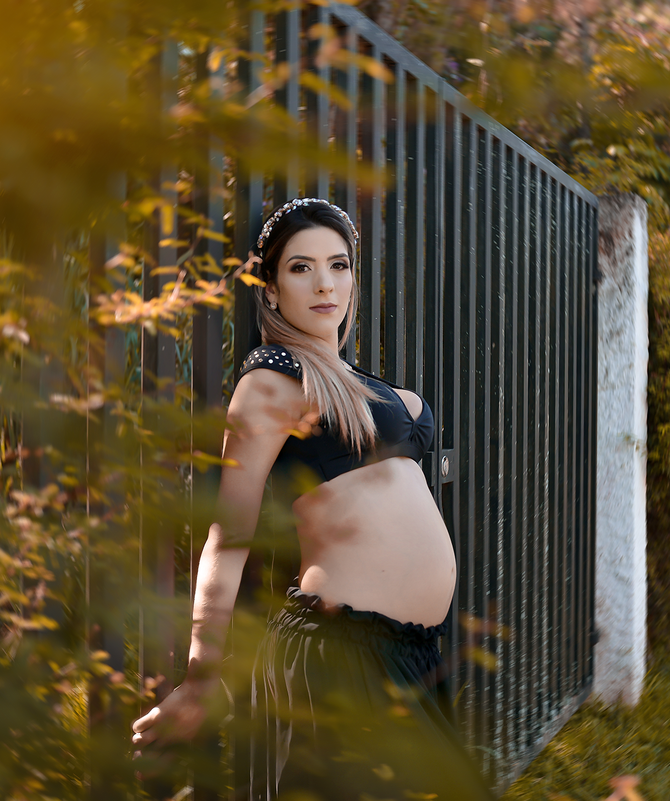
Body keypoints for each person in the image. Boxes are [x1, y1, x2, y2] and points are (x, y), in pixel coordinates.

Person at [131, 198, 495, 800]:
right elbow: (228, 535)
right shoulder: (271, 382)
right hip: (341, 653)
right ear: (271, 291)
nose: (325, 283)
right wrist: (200, 677)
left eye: (338, 265)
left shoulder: (367, 387)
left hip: (413, 654)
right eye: (301, 268)